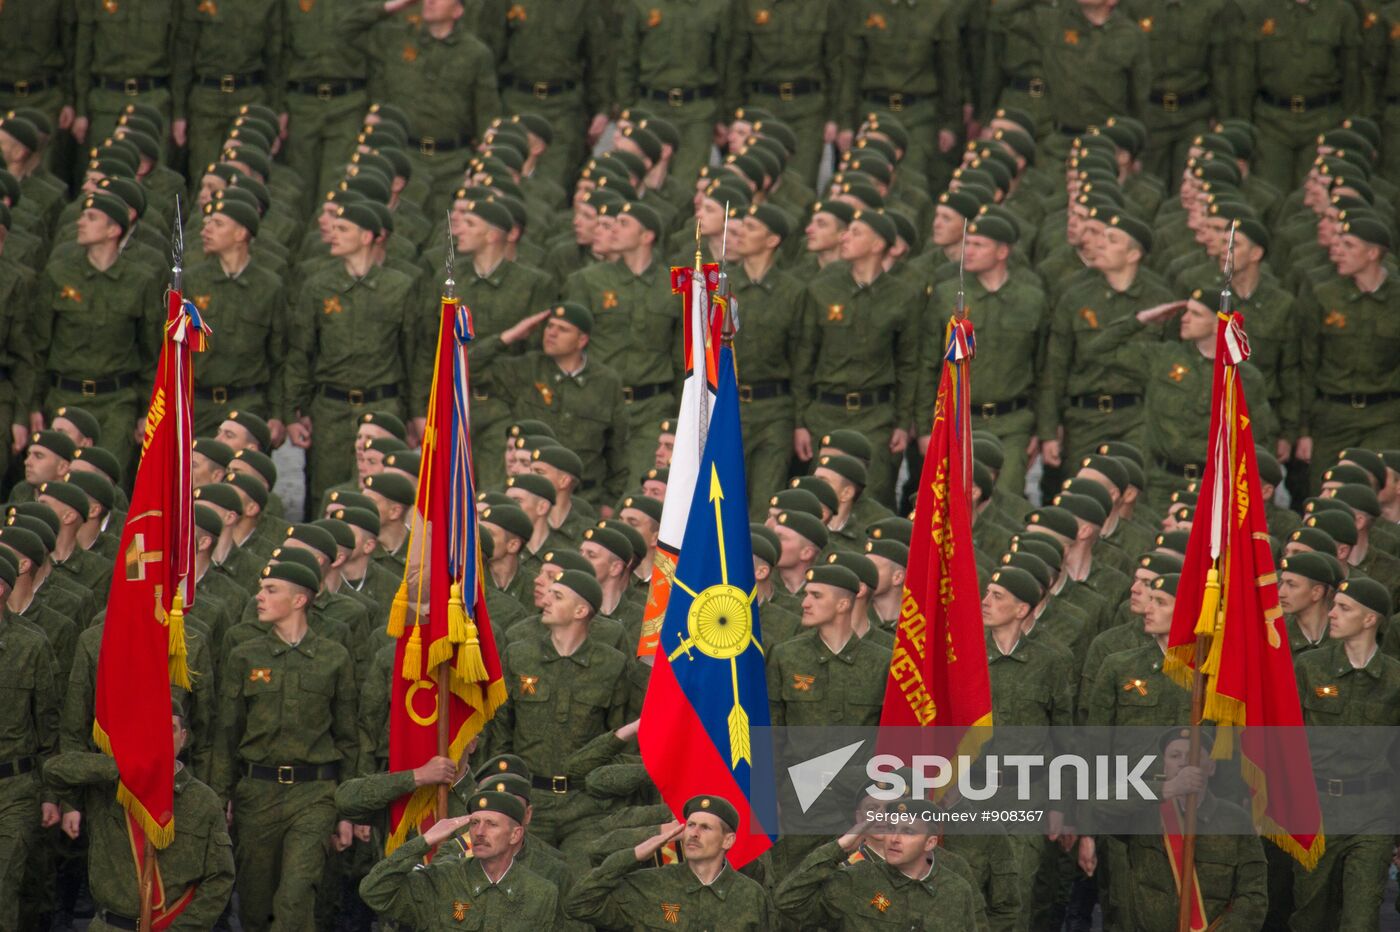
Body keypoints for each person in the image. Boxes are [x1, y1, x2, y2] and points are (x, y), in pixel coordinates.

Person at [212, 560, 358, 932]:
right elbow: (227, 734)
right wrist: (219, 799)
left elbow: (348, 738)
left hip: (314, 795)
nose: (259, 597)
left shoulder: (333, 657)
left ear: (300, 599)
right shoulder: (244, 656)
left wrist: (348, 811)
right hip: (256, 794)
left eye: (271, 589)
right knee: (256, 907)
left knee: (295, 897)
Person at [43, 700, 235, 931]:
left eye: (170, 729)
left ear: (183, 737)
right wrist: (122, 767)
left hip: (171, 925)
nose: (161, 737)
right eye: (152, 729)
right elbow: (54, 771)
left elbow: (220, 878)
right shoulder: (106, 790)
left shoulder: (204, 801)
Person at [285, 201, 419, 506]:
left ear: (368, 236)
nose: (333, 233)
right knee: (325, 495)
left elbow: (413, 355)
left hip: (384, 405)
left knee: (385, 494)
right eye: (334, 228)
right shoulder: (318, 286)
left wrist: (416, 414)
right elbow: (300, 354)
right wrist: (292, 412)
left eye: (343, 229)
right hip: (330, 409)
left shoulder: (400, 287)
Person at [794, 208, 921, 507]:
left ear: (878, 245)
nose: (844, 237)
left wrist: (903, 422)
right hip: (825, 410)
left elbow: (909, 363)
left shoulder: (904, 297)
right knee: (820, 499)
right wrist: (800, 421)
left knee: (874, 498)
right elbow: (804, 359)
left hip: (876, 414)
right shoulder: (821, 290)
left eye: (855, 232)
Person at [33, 191, 164, 470]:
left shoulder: (141, 280)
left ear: (114, 229)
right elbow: (37, 346)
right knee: (58, 482)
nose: (80, 222)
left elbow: (152, 352)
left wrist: (147, 412)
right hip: (63, 396)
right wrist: (32, 406)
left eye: (91, 217)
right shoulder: (59, 273)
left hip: (117, 401)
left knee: (107, 480)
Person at [339, 0, 500, 214]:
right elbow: (346, 29)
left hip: (452, 162)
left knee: (446, 235)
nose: (430, 1)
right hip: (405, 158)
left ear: (458, 10)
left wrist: (483, 164)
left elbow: (487, 113)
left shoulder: (476, 54)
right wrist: (394, 5)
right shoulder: (398, 39)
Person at [470, 303, 630, 509]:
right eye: (549, 326)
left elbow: (617, 447)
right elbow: (468, 369)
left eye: (562, 329)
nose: (552, 333)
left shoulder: (606, 382)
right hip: (529, 495)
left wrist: (609, 501)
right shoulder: (527, 369)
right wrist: (509, 336)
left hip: (584, 499)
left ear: (582, 340)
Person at [1124, 727, 1268, 932]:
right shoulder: (1144, 813)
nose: (1184, 762)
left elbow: (1253, 895)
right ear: (1164, 765)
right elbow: (1095, 805)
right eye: (1175, 756)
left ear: (1211, 767)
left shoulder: (1235, 820)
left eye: (1193, 755)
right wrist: (1169, 789)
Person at [359, 788, 561, 929]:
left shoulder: (542, 894)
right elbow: (374, 892)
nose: (479, 832)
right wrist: (425, 841)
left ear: (515, 835)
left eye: (491, 824)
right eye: (474, 823)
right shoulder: (443, 879)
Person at [773, 798, 980, 928]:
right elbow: (789, 901)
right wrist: (839, 848)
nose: (894, 839)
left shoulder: (956, 890)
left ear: (930, 842)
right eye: (891, 829)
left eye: (907, 832)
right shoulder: (856, 880)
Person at [187, 197, 287, 438]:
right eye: (207, 222)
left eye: (218, 224)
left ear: (241, 233)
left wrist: (278, 414)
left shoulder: (269, 286)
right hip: (197, 406)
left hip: (248, 405)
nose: (206, 230)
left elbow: (279, 356)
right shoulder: (192, 281)